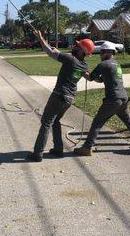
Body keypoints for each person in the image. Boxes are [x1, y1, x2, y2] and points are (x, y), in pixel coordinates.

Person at [27, 31, 95, 162]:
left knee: (46, 122)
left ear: (82, 50)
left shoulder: (70, 59)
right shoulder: (83, 65)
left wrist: (41, 38)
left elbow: (50, 53)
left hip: (58, 96)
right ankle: (58, 149)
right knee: (56, 121)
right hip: (69, 99)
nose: (75, 47)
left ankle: (37, 153)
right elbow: (88, 76)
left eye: (78, 46)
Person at [74, 41, 130, 156]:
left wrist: (80, 69)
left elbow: (90, 78)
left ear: (107, 52)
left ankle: (87, 148)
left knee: (97, 122)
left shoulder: (104, 64)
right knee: (129, 123)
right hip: (123, 98)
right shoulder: (116, 64)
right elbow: (103, 79)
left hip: (112, 100)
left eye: (101, 53)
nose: (100, 55)